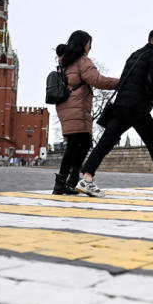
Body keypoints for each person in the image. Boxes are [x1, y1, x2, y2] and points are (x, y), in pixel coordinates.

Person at [77, 28, 153, 197]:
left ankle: (87, 178)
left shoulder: (134, 54)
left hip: (121, 104)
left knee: (106, 141)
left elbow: (124, 79)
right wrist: (149, 104)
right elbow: (151, 82)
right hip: (137, 105)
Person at [52, 30, 119, 195]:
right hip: (76, 107)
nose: (91, 47)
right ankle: (65, 183)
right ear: (83, 43)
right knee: (77, 145)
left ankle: (67, 182)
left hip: (65, 106)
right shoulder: (82, 61)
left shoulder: (64, 61)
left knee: (80, 144)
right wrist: (121, 82)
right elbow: (97, 80)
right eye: (89, 43)